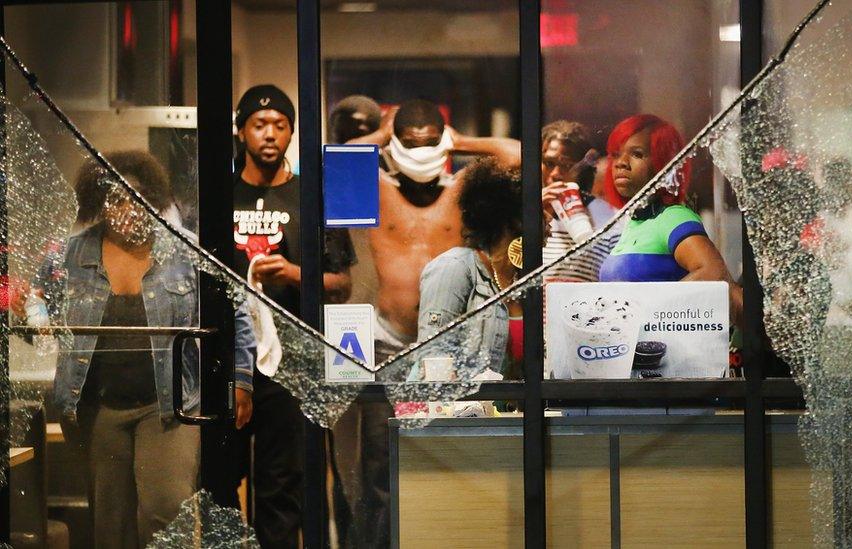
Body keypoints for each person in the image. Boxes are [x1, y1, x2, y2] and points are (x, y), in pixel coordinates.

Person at [13, 151, 257, 549]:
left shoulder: (184, 250)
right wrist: (24, 309)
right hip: (96, 405)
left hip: (168, 405)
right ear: (99, 203)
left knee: (167, 510)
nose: (127, 208)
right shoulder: (69, 256)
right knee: (111, 523)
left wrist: (241, 381)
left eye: (137, 197)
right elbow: (40, 323)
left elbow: (237, 311)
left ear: (154, 199)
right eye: (115, 198)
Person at [333, 98, 519, 547]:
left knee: (444, 456)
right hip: (386, 345)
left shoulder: (462, 189)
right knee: (379, 463)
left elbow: (516, 156)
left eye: (430, 143)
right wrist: (383, 134)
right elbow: (337, 163)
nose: (420, 153)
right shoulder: (375, 188)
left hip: (449, 351)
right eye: (410, 144)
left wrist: (460, 140)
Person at [231, 84, 357, 549]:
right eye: (259, 124)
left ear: (291, 133)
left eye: (280, 126)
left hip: (294, 362)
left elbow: (341, 284)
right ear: (241, 129)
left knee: (283, 485)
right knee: (222, 480)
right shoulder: (217, 194)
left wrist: (293, 272)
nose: (269, 135)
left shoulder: (312, 199)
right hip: (228, 357)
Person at [598, 114, 743, 326]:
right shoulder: (634, 223)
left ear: (662, 164)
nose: (621, 163)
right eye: (616, 155)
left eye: (637, 154)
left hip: (665, 354)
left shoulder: (673, 217)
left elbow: (713, 274)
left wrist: (651, 314)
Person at [415, 158, 523, 378]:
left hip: (505, 411)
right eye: (540, 213)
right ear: (514, 220)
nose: (549, 222)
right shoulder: (455, 267)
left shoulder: (521, 280)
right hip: (456, 410)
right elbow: (434, 357)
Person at [539, 120, 620, 283]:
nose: (555, 173)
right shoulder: (525, 212)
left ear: (582, 167)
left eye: (566, 165)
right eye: (549, 163)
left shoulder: (608, 215)